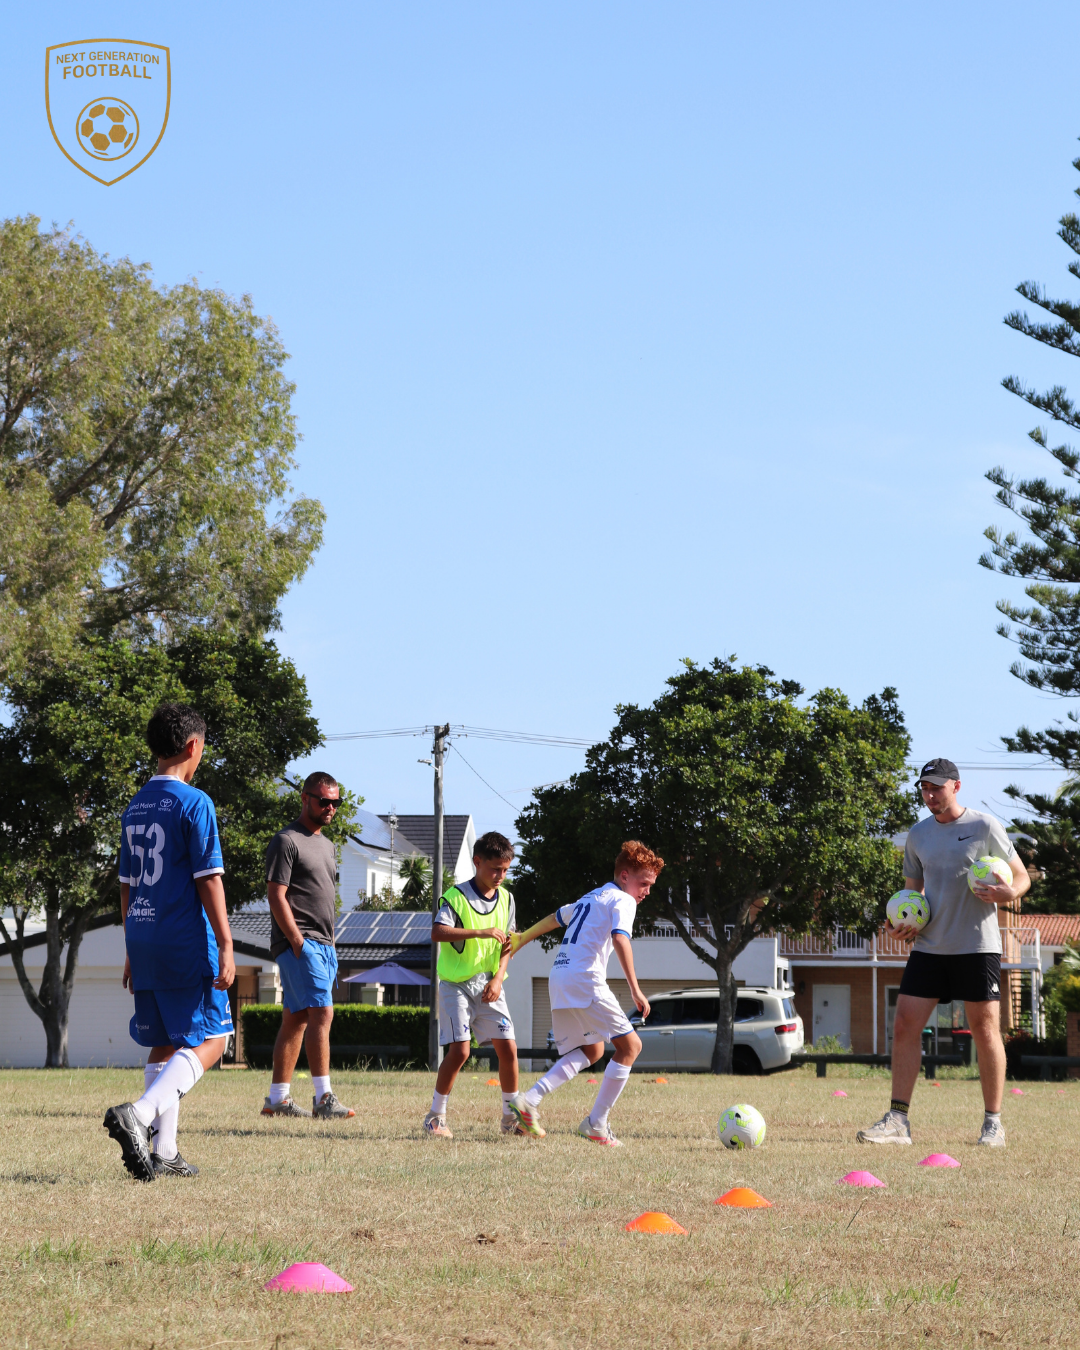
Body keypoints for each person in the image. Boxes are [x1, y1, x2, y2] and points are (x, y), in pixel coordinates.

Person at [857, 758, 1030, 1149]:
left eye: (937, 787)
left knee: (985, 1031)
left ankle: (993, 1124)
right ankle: (898, 1120)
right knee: (904, 1025)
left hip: (976, 946)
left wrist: (1010, 893)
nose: (930, 795)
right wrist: (901, 924)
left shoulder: (985, 826)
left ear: (956, 786)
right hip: (930, 947)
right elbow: (911, 895)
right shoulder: (917, 836)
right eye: (924, 788)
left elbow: (1020, 877)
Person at [104, 703, 236, 1181]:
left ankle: (165, 1150)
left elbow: (126, 884)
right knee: (215, 1039)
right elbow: (209, 878)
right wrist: (225, 942)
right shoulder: (194, 802)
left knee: (164, 1044)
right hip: (183, 937)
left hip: (142, 935)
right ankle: (139, 1116)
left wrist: (130, 947)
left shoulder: (134, 805)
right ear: (193, 747)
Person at [507, 840, 663, 1146]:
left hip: (560, 976)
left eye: (650, 885)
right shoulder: (623, 900)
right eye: (643, 883)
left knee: (593, 1051)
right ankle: (596, 1124)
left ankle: (530, 1099)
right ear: (624, 876)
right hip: (584, 979)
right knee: (631, 1047)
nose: (646, 891)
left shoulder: (592, 897)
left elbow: (555, 918)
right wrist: (636, 990)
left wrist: (521, 938)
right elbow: (620, 939)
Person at [262, 772, 355, 1120]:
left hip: (324, 944)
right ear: (305, 798)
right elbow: (276, 895)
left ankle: (277, 1100)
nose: (330, 807)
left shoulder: (328, 845)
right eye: (323, 800)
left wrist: (326, 944)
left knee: (298, 1018)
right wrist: (297, 942)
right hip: (301, 942)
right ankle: (323, 1098)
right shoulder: (287, 840)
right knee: (323, 1012)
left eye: (335, 802)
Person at [424, 831, 527, 1138]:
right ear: (477, 862)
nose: (500, 876)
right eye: (495, 868)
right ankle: (435, 1117)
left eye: (506, 870)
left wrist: (498, 978)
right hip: (456, 985)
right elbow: (438, 933)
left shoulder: (507, 899)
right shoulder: (455, 897)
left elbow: (508, 944)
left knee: (508, 1048)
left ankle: (511, 1121)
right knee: (460, 1052)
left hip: (490, 985)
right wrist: (479, 933)